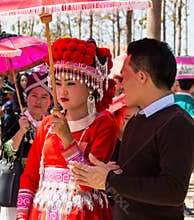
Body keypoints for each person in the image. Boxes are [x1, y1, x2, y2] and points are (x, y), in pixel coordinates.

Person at [69, 38, 194, 220]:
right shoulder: (136, 120)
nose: (121, 84)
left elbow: (173, 191)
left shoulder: (178, 123)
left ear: (142, 77)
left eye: (124, 76)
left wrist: (110, 180)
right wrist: (111, 173)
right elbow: (133, 180)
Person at [16, 37, 118, 220]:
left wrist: (67, 139)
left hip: (84, 213)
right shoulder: (47, 124)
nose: (62, 91)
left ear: (90, 86)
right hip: (42, 212)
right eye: (57, 83)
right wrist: (22, 214)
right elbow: (30, 176)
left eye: (71, 83)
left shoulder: (104, 124)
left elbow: (88, 183)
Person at [0, 70, 52, 220]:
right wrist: (21, 131)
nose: (38, 101)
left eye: (44, 97)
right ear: (26, 97)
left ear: (50, 101)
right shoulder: (14, 120)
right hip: (16, 185)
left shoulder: (53, 125)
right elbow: (5, 153)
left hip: (44, 185)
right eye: (34, 95)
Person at [108, 94, 138, 162]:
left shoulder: (139, 143)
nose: (132, 122)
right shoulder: (106, 141)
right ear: (115, 117)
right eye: (127, 118)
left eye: (135, 118)